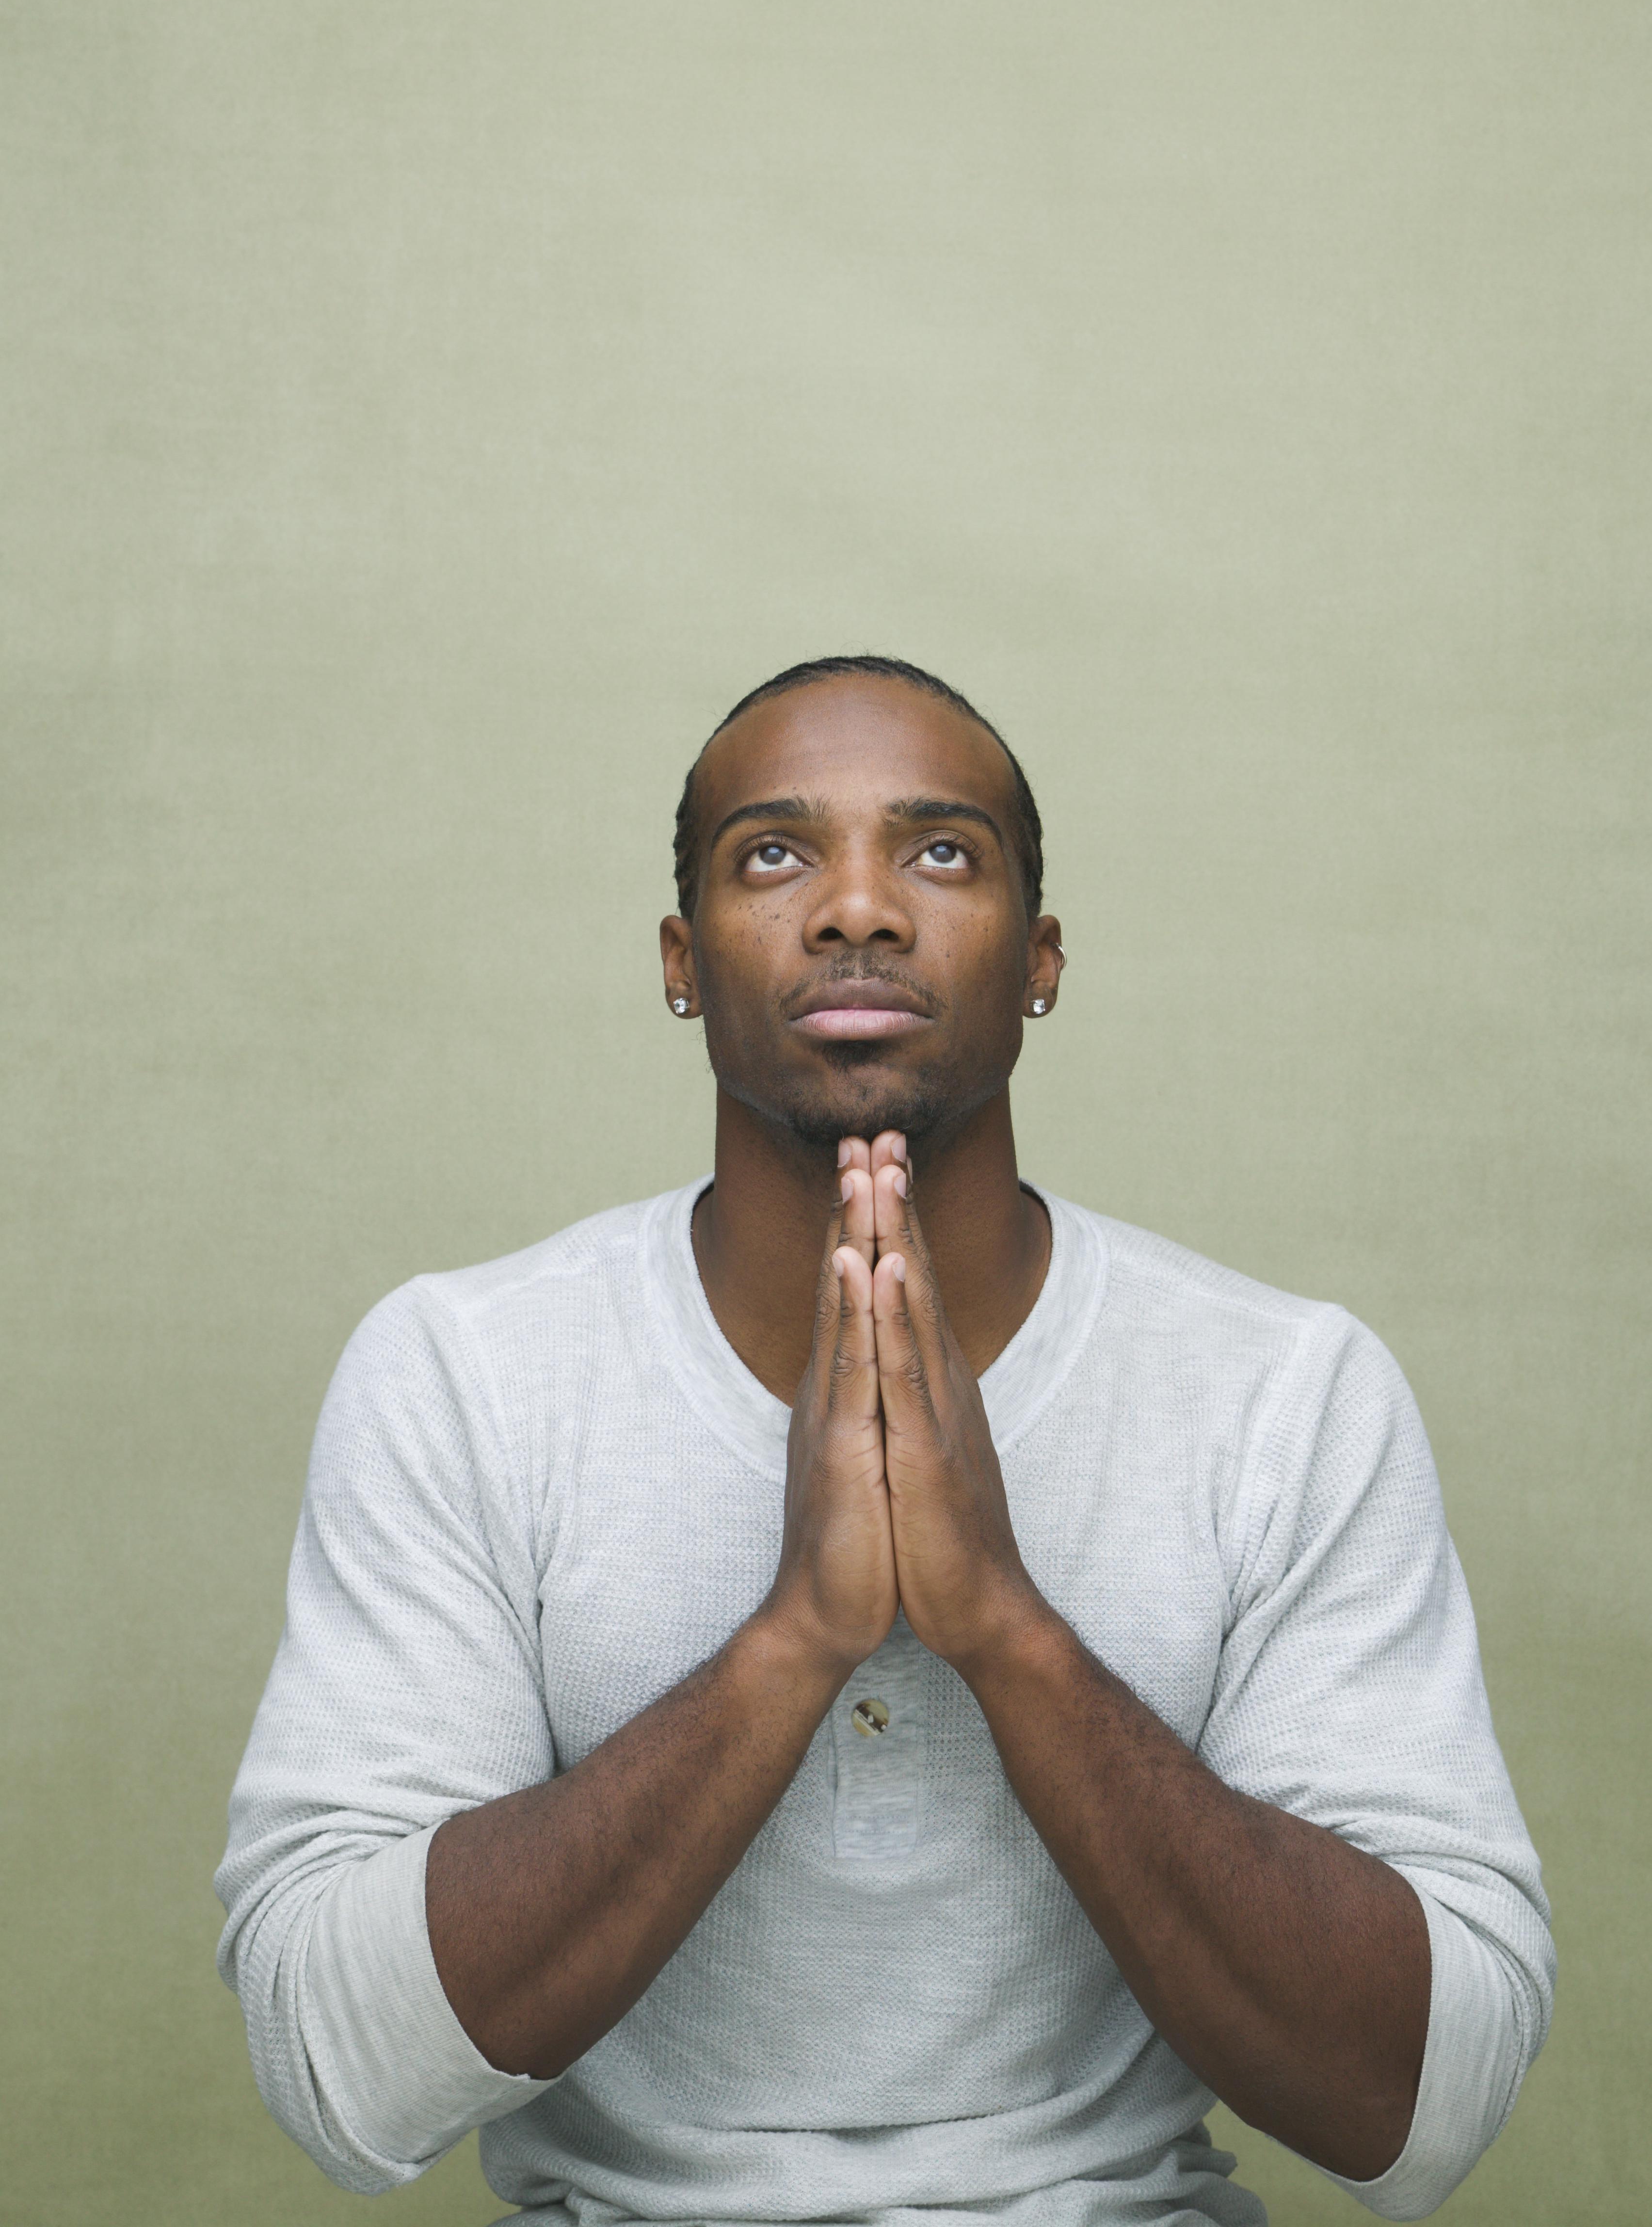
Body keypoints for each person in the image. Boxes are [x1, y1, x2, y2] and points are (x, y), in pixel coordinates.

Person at [215, 655, 1553, 2227]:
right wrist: (795, 1641)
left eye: (940, 851)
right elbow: (337, 2073)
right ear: (681, 962)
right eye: (774, 854)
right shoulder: (461, 1372)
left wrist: (1005, 1627)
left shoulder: (1289, 1392)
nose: (857, 908)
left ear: (1041, 959)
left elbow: (1431, 2103)